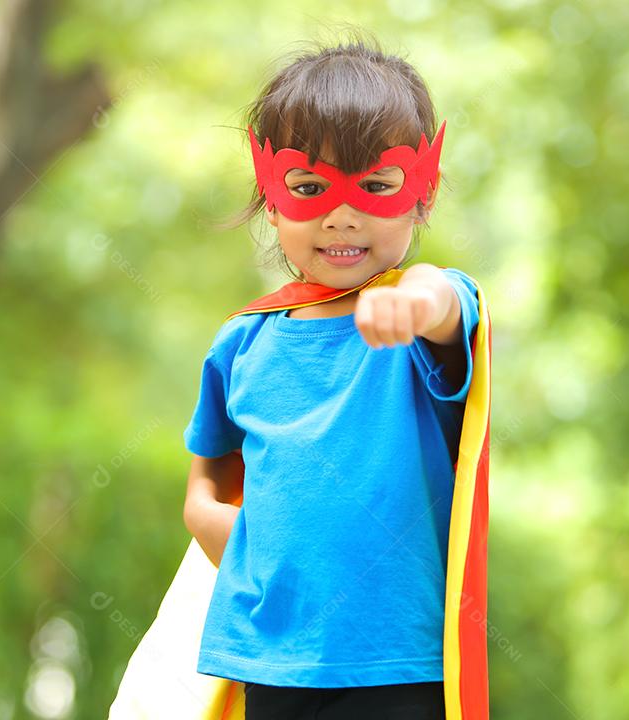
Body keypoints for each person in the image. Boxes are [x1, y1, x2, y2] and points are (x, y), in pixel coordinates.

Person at [180, 34, 484, 720]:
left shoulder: (421, 319)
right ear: (271, 196)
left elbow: (446, 305)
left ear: (422, 194)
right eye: (309, 188)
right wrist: (203, 514)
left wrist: (419, 297)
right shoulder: (243, 340)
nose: (341, 214)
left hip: (396, 661)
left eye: (377, 187)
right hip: (268, 653)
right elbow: (210, 476)